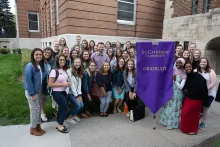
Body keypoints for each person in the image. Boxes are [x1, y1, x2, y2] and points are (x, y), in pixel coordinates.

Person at [180, 62, 208, 135]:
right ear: (184, 69)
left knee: (194, 115)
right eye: (186, 67)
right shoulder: (187, 76)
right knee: (185, 112)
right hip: (189, 97)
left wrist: (198, 94)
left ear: (192, 67)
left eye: (189, 67)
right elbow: (186, 86)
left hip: (197, 98)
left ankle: (193, 130)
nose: (188, 68)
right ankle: (185, 128)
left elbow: (203, 86)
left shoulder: (197, 76)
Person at [160, 58, 186, 129]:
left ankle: (173, 123)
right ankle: (165, 121)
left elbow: (181, 87)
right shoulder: (171, 70)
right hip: (169, 92)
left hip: (177, 94)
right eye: (177, 62)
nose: (178, 64)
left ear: (183, 64)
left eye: (180, 63)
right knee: (168, 106)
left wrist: (174, 80)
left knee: (174, 107)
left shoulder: (184, 73)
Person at [24, 48, 46, 136]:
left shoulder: (40, 65)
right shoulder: (30, 66)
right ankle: (32, 128)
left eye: (40, 54)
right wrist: (32, 94)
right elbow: (28, 81)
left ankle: (38, 126)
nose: (38, 56)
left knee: (38, 110)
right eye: (36, 54)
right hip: (32, 92)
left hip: (39, 91)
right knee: (34, 110)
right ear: (33, 56)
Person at [48, 54, 71, 133]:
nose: (62, 61)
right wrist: (63, 84)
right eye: (60, 60)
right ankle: (60, 125)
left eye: (64, 60)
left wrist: (68, 83)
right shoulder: (54, 71)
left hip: (64, 92)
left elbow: (64, 81)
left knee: (61, 109)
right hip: (57, 93)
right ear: (57, 61)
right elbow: (50, 84)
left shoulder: (64, 71)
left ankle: (58, 124)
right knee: (65, 109)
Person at [195, 57, 217, 130]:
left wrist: (204, 90)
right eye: (201, 62)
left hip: (209, 94)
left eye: (204, 62)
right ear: (199, 63)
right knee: (199, 107)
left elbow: (213, 83)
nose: (203, 63)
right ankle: (197, 119)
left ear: (207, 63)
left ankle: (203, 123)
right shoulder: (196, 71)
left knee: (205, 108)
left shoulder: (211, 71)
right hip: (199, 94)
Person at [66, 57, 84, 123]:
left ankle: (74, 115)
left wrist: (79, 94)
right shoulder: (69, 71)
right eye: (76, 62)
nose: (77, 64)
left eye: (79, 62)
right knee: (78, 105)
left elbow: (79, 84)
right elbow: (72, 86)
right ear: (73, 63)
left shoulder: (79, 71)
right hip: (70, 93)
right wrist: (77, 96)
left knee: (82, 105)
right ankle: (69, 118)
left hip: (77, 93)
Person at [41, 47, 53, 122]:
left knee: (43, 98)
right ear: (43, 52)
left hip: (46, 82)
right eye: (46, 52)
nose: (47, 54)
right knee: (40, 98)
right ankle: (41, 113)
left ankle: (42, 112)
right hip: (40, 82)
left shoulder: (48, 62)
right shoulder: (40, 62)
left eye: (49, 53)